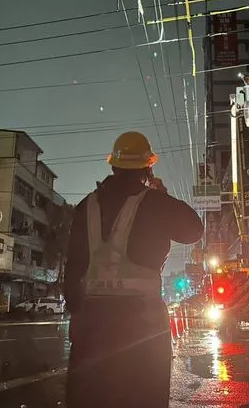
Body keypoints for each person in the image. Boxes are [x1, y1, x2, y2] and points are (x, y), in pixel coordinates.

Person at [64, 131, 204, 408]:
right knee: (144, 396)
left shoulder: (85, 206)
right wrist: (161, 193)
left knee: (89, 397)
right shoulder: (155, 203)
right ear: (148, 167)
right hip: (142, 323)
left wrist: (78, 314)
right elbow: (194, 231)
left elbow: (72, 268)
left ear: (113, 165)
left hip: (92, 322)